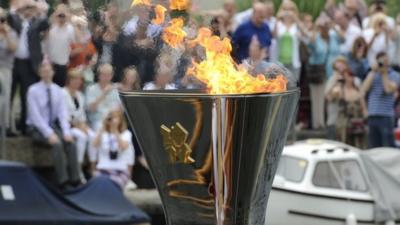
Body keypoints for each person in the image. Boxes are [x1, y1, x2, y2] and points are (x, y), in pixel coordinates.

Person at [26, 61, 80, 189]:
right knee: (57, 144)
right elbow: (35, 117)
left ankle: (75, 180)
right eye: (43, 70)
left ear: (53, 72)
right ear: (39, 73)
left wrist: (66, 133)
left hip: (52, 126)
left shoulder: (57, 90)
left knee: (71, 144)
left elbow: (62, 114)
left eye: (48, 70)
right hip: (36, 128)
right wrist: (49, 134)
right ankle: (63, 182)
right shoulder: (33, 90)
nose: (46, 72)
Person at [8, 0, 50, 134]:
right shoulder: (16, 21)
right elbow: (9, 18)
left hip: (28, 65)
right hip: (13, 63)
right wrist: (17, 8)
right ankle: (8, 126)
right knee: (9, 94)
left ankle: (24, 126)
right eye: (26, 8)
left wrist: (40, 11)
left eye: (30, 9)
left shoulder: (36, 23)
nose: (28, 11)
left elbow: (45, 23)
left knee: (26, 96)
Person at [306, 16, 342, 129]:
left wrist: (333, 25)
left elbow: (343, 38)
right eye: (323, 27)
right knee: (318, 99)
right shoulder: (315, 37)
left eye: (326, 26)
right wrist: (316, 27)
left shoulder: (334, 37)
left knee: (332, 98)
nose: (325, 29)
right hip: (319, 73)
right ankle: (318, 124)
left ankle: (331, 123)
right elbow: (310, 43)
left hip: (333, 73)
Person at [361, 52, 400, 148]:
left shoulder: (395, 75)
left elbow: (388, 89)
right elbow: (364, 89)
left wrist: (384, 73)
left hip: (386, 116)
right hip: (372, 115)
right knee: (374, 146)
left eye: (385, 60)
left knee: (388, 146)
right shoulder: (372, 74)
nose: (384, 63)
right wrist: (373, 72)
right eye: (381, 61)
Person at [63, 69, 96, 176]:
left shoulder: (80, 95)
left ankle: (92, 168)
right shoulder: (62, 93)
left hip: (79, 125)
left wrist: (84, 125)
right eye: (75, 79)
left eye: (79, 79)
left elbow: (82, 115)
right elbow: (63, 115)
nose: (78, 82)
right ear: (69, 80)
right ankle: (78, 170)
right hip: (67, 127)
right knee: (82, 136)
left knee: (92, 135)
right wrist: (78, 126)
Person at [92, 109, 135, 189]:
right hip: (103, 169)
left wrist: (114, 130)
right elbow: (94, 144)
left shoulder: (126, 134)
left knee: (114, 184)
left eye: (115, 117)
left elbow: (123, 146)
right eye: (111, 117)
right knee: (99, 182)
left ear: (120, 120)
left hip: (120, 170)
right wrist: (103, 126)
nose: (112, 120)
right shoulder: (102, 133)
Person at [335, 69, 367, 148]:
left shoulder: (358, 90)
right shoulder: (339, 89)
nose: (348, 78)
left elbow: (363, 108)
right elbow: (330, 95)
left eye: (350, 76)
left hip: (357, 121)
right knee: (344, 143)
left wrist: (365, 119)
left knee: (358, 144)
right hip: (344, 122)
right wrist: (337, 81)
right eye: (345, 76)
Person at [274, 0, 304, 83]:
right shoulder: (279, 24)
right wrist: (277, 18)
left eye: (290, 9)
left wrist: (296, 19)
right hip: (280, 63)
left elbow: (305, 35)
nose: (287, 12)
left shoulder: (296, 25)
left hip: (294, 63)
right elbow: (274, 36)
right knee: (280, 87)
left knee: (293, 87)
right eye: (285, 9)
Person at [46, 4, 75, 87]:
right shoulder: (51, 26)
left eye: (63, 12)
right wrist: (54, 17)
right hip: (49, 64)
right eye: (59, 12)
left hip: (62, 65)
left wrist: (69, 19)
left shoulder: (70, 28)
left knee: (59, 90)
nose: (61, 15)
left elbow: (77, 41)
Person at [86, 63, 120, 130]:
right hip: (98, 120)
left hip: (113, 120)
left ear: (111, 76)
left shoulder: (115, 89)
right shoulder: (91, 89)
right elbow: (91, 108)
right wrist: (104, 93)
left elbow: (119, 109)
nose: (106, 77)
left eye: (108, 75)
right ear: (99, 75)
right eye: (103, 75)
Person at [0, 7, 18, 136]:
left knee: (5, 97)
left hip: (5, 69)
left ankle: (4, 125)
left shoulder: (11, 33)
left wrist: (5, 34)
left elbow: (13, 48)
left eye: (2, 19)